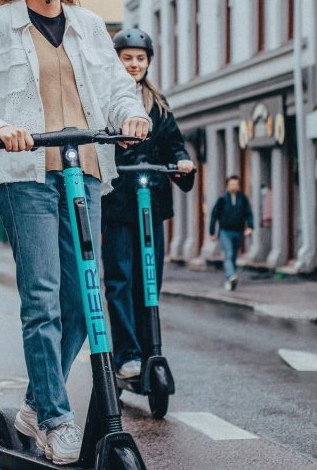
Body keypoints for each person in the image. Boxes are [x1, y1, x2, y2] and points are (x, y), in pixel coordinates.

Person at [0, 0, 150, 465]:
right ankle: (55, 420)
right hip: (25, 176)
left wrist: (132, 117)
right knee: (42, 299)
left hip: (84, 172)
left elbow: (116, 89)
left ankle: (37, 402)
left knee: (86, 303)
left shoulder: (87, 25)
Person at [101, 28, 195, 380]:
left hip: (150, 202)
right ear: (117, 61)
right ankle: (127, 354)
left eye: (140, 59)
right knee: (120, 279)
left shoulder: (158, 104)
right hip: (116, 202)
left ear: (148, 63)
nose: (134, 64)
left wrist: (182, 161)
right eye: (128, 58)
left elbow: (174, 143)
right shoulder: (106, 99)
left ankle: (150, 348)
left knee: (149, 280)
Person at [209, 175, 255, 291]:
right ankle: (231, 276)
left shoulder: (242, 198)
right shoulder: (222, 199)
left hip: (238, 231)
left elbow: (248, 213)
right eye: (231, 184)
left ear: (238, 185)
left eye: (235, 184)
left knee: (233, 257)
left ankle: (230, 281)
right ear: (227, 186)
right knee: (228, 254)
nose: (233, 186)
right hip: (225, 231)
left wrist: (250, 226)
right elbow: (214, 216)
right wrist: (212, 232)